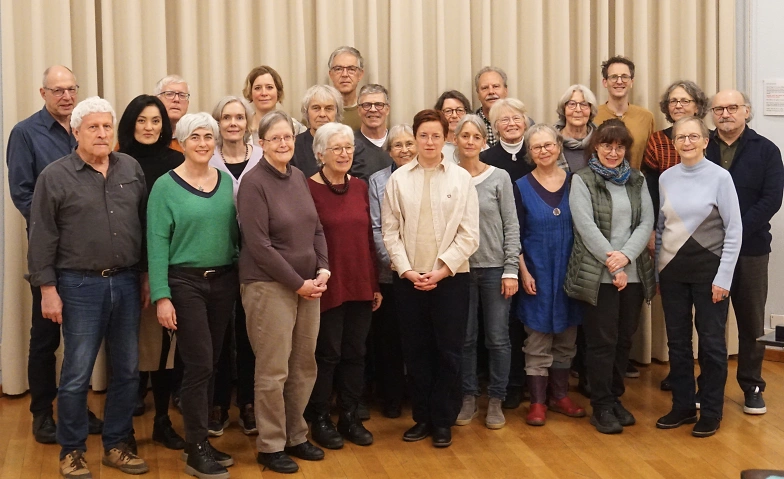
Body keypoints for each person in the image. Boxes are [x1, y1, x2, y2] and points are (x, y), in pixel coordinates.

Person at [27, 96, 149, 477]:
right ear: (76, 132)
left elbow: (144, 229)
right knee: (77, 372)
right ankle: (72, 449)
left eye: (106, 126)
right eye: (92, 127)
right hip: (78, 285)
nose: (101, 133)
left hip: (128, 281)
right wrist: (47, 288)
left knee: (127, 369)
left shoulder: (130, 167)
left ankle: (115, 445)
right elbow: (41, 237)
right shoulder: (54, 176)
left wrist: (146, 276)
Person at [6, 65, 103, 444]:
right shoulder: (25, 133)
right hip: (49, 251)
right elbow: (22, 193)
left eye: (71, 89)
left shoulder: (84, 130)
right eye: (57, 90)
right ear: (42, 93)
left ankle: (76, 410)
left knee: (83, 337)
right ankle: (42, 414)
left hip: (88, 254)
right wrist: (62, 224)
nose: (66, 96)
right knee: (45, 337)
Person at [147, 112, 239, 478]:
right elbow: (156, 245)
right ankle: (195, 446)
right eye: (195, 137)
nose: (203, 143)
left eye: (208, 137)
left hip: (223, 282)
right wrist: (161, 296)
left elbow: (235, 235)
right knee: (199, 363)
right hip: (184, 284)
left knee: (212, 362)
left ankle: (200, 440)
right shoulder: (164, 187)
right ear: (181, 143)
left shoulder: (224, 181)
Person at [237, 110, 328, 474]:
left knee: (304, 365)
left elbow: (317, 227)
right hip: (268, 286)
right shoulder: (253, 183)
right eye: (274, 138)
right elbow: (259, 246)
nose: (283, 143)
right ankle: (271, 444)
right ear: (261, 144)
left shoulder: (299, 179)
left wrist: (323, 268)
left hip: (308, 285)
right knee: (273, 370)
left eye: (288, 137)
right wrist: (298, 283)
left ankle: (296, 435)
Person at [382, 109, 479, 448]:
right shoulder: (398, 179)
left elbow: (470, 235)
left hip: (450, 279)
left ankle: (443, 420)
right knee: (417, 350)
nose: (429, 141)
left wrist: (441, 269)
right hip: (408, 280)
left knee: (449, 351)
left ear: (445, 139)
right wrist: (407, 270)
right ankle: (422, 417)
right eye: (423, 135)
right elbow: (390, 232)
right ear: (415, 137)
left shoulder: (460, 178)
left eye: (436, 135)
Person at [564, 119, 655, 435]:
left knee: (623, 341)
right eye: (607, 145)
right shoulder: (582, 180)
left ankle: (615, 399)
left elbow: (646, 223)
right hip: (599, 275)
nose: (613, 152)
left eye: (619, 146)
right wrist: (614, 264)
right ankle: (600, 406)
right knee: (602, 343)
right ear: (596, 147)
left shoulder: (637, 179)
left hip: (632, 274)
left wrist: (626, 257)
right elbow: (585, 227)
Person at [654, 117, 742, 438]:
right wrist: (658, 272)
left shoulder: (721, 178)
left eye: (694, 136)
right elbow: (663, 228)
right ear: (673, 143)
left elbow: (734, 230)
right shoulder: (665, 178)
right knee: (677, 343)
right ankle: (682, 405)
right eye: (681, 137)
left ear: (706, 141)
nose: (687, 142)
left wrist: (724, 278)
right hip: (673, 272)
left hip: (711, 275)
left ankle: (712, 410)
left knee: (712, 345)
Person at [706, 89, 784, 415]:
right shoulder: (700, 146)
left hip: (751, 249)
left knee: (751, 322)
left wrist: (735, 232)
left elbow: (772, 199)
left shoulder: (766, 150)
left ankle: (752, 385)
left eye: (732, 107)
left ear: (746, 112)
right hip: (708, 249)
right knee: (711, 322)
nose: (726, 113)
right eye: (719, 108)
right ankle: (710, 387)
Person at [305, 122, 381, 450]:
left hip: (361, 281)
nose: (344, 153)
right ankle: (319, 417)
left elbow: (369, 237)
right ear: (320, 153)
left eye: (348, 147)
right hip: (326, 284)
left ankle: (349, 415)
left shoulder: (362, 187)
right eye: (336, 148)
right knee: (327, 354)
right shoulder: (306, 188)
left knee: (355, 352)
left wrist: (375, 283)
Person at [117, 94, 185, 450]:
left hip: (165, 267)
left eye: (155, 121)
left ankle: (161, 420)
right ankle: (123, 429)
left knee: (163, 353)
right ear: (130, 123)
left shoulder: (178, 161)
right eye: (141, 120)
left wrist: (154, 274)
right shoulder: (116, 161)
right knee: (126, 353)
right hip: (124, 268)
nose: (149, 127)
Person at [641, 80, 709, 392]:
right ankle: (680, 377)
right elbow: (650, 192)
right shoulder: (656, 142)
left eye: (685, 100)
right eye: (673, 101)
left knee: (708, 324)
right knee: (676, 319)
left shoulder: (708, 140)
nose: (678, 105)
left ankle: (707, 380)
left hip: (707, 243)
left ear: (697, 106)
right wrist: (653, 231)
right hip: (670, 239)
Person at [515, 124, 585, 427]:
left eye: (548, 145)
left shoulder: (576, 183)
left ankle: (560, 396)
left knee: (567, 337)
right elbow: (513, 233)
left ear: (558, 147)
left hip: (570, 273)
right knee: (537, 339)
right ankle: (538, 402)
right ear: (529, 153)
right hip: (537, 273)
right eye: (536, 147)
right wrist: (524, 272)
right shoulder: (519, 186)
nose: (543, 151)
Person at [452, 115, 518, 430]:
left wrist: (511, 269)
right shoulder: (447, 175)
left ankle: (496, 399)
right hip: (459, 270)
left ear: (483, 142)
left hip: (494, 269)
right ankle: (468, 397)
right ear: (455, 140)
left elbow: (511, 225)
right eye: (463, 135)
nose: (469, 141)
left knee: (498, 338)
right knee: (464, 338)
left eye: (475, 136)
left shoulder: (499, 177)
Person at [206, 96, 264, 437]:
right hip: (218, 257)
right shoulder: (207, 156)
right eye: (226, 117)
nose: (232, 123)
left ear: (248, 122)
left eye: (238, 117)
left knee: (249, 332)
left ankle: (248, 402)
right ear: (218, 123)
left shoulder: (261, 156)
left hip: (256, 259)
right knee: (218, 334)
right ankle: (216, 402)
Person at [479, 97, 534, 409]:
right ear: (494, 126)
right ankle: (508, 383)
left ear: (526, 121)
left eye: (517, 118)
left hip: (537, 246)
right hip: (499, 253)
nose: (511, 124)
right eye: (504, 120)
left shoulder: (537, 151)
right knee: (505, 323)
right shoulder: (487, 158)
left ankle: (535, 382)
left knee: (534, 320)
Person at [367, 125, 416, 419]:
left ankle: (418, 392)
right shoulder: (378, 181)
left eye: (409, 143)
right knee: (390, 340)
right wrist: (398, 265)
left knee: (418, 336)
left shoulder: (432, 175)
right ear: (388, 151)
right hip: (391, 273)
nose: (405, 150)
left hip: (426, 273)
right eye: (397, 145)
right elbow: (376, 227)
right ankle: (392, 396)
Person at [593, 56, 654, 171]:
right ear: (605, 82)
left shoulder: (646, 117)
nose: (619, 81)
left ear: (631, 82)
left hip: (635, 184)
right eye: (614, 77)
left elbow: (649, 160)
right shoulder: (592, 116)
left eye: (624, 77)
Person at [290, 84, 343, 178]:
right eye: (316, 108)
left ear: (336, 112)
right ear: (306, 112)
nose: (322, 114)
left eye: (328, 108)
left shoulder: (349, 145)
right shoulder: (294, 146)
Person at [242, 65, 305, 142]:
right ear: (250, 92)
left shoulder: (296, 128)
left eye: (269, 87)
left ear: (278, 92)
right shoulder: (241, 127)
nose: (264, 93)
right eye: (257, 88)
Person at [352, 84, 393, 181]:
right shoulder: (349, 145)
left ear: (387, 109)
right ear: (358, 110)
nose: (373, 110)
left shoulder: (398, 142)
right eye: (367, 105)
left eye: (379, 105)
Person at [554, 84, 599, 172]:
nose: (578, 109)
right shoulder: (550, 139)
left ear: (591, 110)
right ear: (564, 108)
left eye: (584, 104)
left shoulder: (601, 139)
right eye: (572, 104)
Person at [328, 46, 365, 130]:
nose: (344, 74)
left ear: (360, 74)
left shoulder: (369, 112)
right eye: (338, 69)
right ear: (331, 74)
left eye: (351, 69)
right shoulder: (319, 113)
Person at [154, 74, 191, 153]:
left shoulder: (195, 138)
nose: (176, 99)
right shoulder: (147, 135)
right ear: (157, 100)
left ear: (188, 103)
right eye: (169, 94)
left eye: (182, 95)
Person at [474, 67, 509, 146]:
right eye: (485, 88)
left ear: (506, 90)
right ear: (478, 94)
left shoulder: (521, 124)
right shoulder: (469, 125)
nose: (491, 92)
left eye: (496, 86)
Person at [434, 90, 472, 163]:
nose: (454, 115)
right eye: (448, 111)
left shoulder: (478, 144)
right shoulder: (434, 146)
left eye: (459, 110)